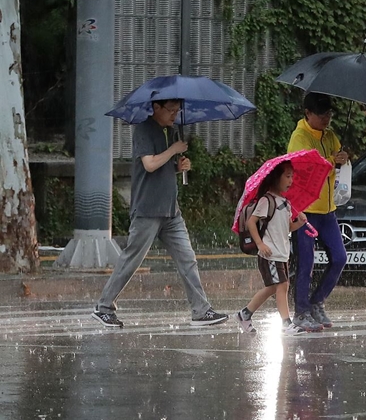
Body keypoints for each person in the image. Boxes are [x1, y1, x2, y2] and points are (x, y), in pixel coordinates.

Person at [92, 99, 227, 328]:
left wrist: (178, 166)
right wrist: (174, 150)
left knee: (187, 259)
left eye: (177, 110)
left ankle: (201, 310)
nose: (175, 115)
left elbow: (163, 167)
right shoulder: (144, 129)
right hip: (147, 208)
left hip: (171, 210)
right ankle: (103, 307)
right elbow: (150, 164)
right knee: (131, 260)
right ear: (156, 108)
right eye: (171, 110)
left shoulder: (171, 131)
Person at [287, 92, 348, 332]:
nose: (326, 118)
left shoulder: (330, 136)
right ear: (307, 113)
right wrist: (333, 161)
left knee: (339, 257)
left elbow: (334, 162)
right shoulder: (299, 137)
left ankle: (316, 302)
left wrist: (342, 158)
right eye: (321, 114)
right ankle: (301, 312)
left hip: (327, 210)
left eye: (329, 113)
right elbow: (308, 168)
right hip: (305, 211)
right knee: (306, 262)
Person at [233, 161, 309, 335]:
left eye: (292, 176)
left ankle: (244, 314)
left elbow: (287, 228)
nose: (291, 180)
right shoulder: (267, 201)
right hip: (270, 253)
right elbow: (252, 222)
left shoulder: (286, 203)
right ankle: (286, 323)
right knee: (282, 286)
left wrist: (299, 222)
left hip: (282, 253)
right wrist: (260, 244)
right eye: (287, 176)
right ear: (276, 178)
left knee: (273, 288)